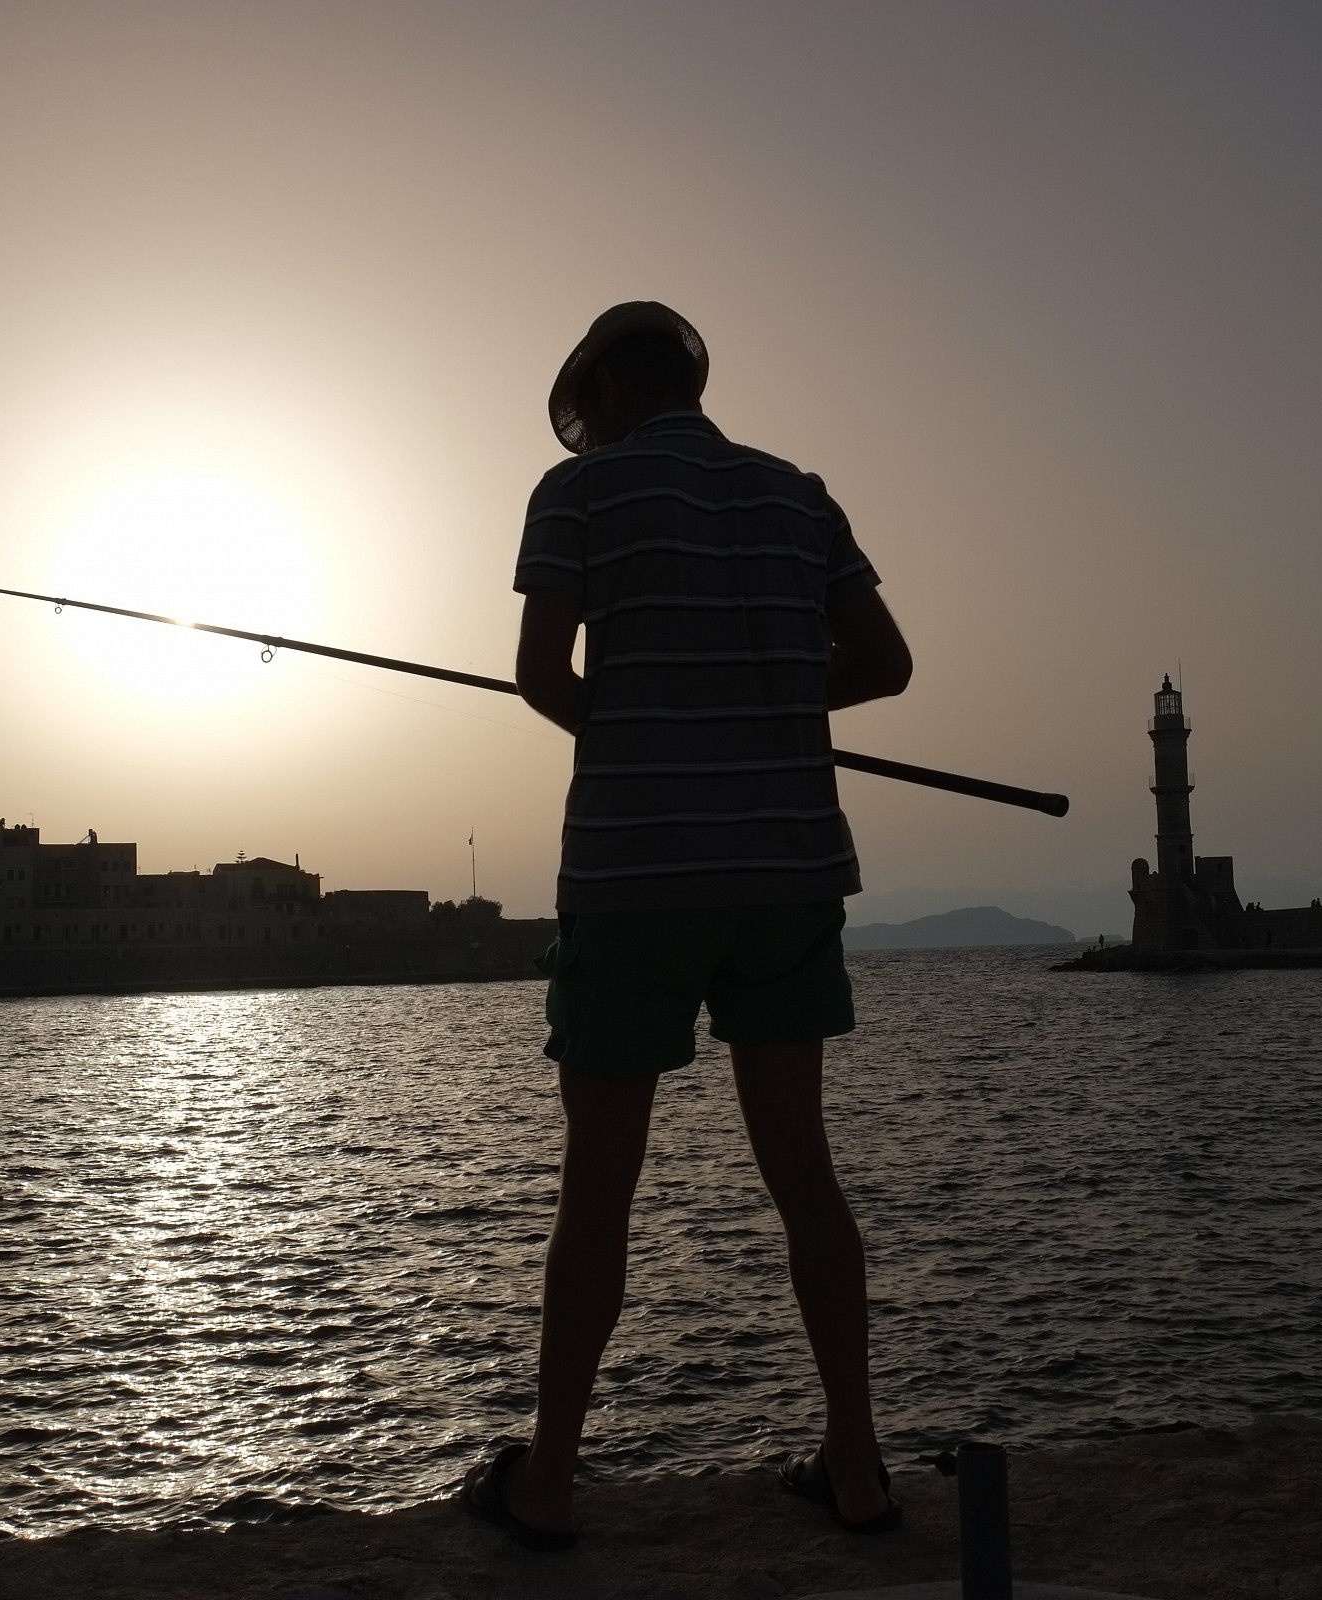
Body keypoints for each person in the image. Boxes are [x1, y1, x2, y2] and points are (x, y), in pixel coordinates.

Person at [462, 302, 913, 1551]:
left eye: (586, 402)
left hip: (636, 872)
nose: (584, 424)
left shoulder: (578, 492)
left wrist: (654, 705)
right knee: (803, 1175)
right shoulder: (798, 494)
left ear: (609, 387)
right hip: (787, 874)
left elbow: (545, 675)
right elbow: (886, 662)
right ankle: (859, 1466)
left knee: (598, 1186)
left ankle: (548, 1479)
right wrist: (765, 690)